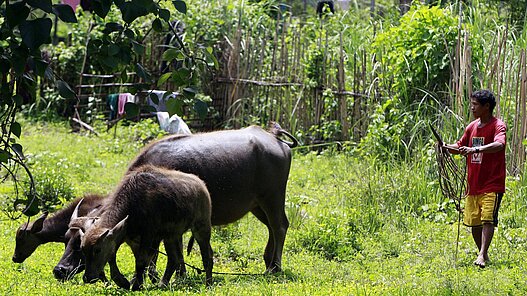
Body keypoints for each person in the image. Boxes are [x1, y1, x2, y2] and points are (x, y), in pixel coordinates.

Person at [443, 89, 506, 268]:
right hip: (473, 184)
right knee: (474, 223)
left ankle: (481, 254)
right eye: (471, 104)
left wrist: (475, 150)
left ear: (487, 107)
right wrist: (446, 146)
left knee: (488, 219)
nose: (472, 108)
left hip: (492, 183)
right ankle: (483, 255)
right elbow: (460, 145)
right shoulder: (471, 127)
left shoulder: (497, 126)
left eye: (475, 105)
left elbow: (499, 144)